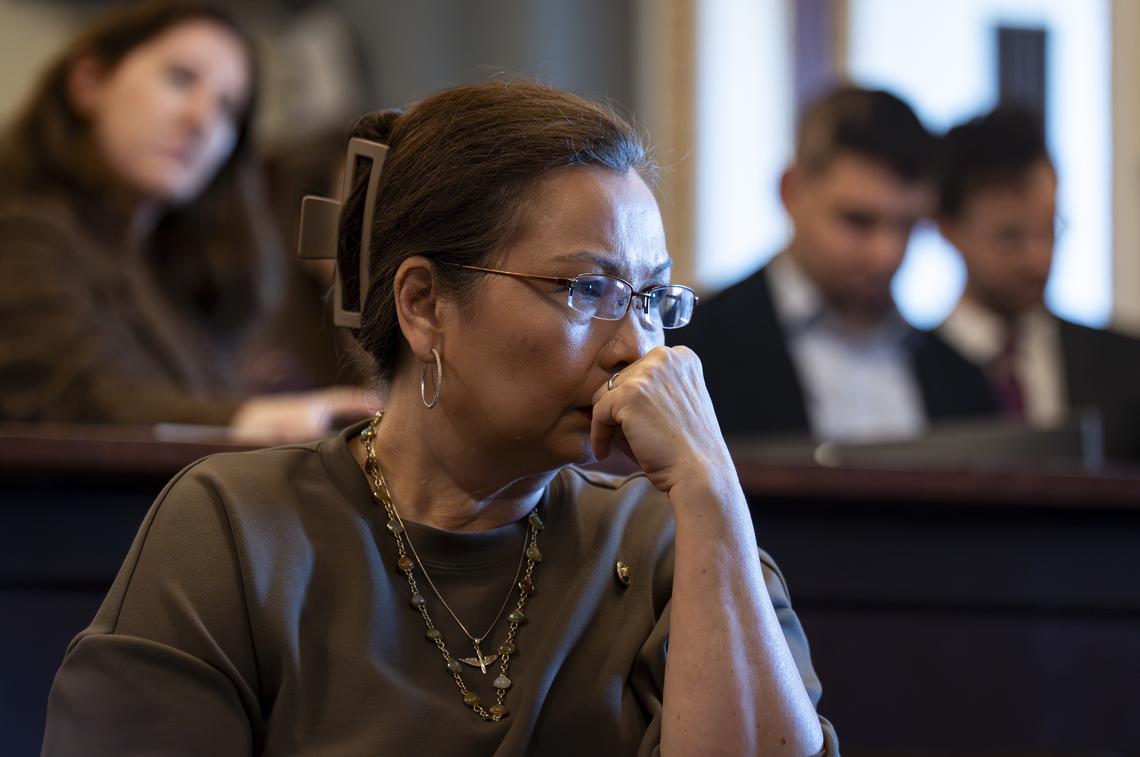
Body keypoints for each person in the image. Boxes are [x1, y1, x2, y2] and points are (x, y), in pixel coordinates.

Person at [41, 80, 839, 756]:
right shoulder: (239, 528)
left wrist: (711, 492)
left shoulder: (674, 538)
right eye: (585, 289)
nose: (636, 345)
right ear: (424, 305)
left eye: (654, 298)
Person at [0, 2, 373, 442]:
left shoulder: (170, 274)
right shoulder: (21, 238)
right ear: (89, 81)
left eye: (227, 107)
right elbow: (86, 399)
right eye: (180, 78)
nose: (202, 120)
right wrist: (261, 418)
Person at [670, 85, 994, 443]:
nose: (886, 253)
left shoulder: (962, 375)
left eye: (907, 226)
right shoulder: (692, 350)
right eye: (858, 221)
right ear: (790, 191)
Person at [935, 106, 1140, 457]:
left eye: (1049, 230)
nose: (1038, 259)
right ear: (948, 229)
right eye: (1009, 237)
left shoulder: (1128, 365)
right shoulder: (911, 374)